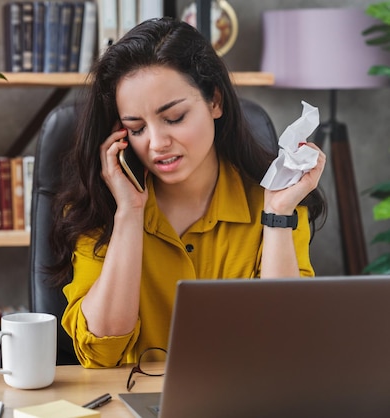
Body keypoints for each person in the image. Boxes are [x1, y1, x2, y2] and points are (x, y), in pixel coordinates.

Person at [47, 17, 327, 368]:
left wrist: (278, 214)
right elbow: (102, 352)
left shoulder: (276, 204)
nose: (157, 143)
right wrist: (129, 214)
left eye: (175, 117)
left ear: (215, 101)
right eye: (136, 128)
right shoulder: (98, 208)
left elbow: (283, 343)